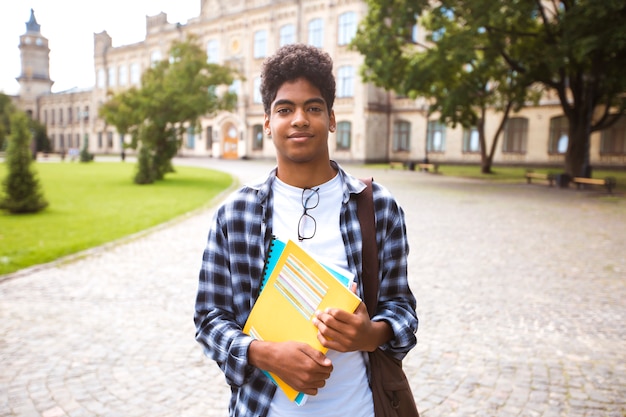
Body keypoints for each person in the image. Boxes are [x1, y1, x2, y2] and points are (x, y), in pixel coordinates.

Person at [194, 43, 418, 417]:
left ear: (331, 118)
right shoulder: (235, 214)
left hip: (359, 408)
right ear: (267, 122)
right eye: (285, 109)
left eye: (313, 108)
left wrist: (370, 334)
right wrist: (263, 353)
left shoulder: (377, 206)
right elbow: (209, 318)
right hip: (264, 409)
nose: (299, 119)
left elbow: (402, 308)